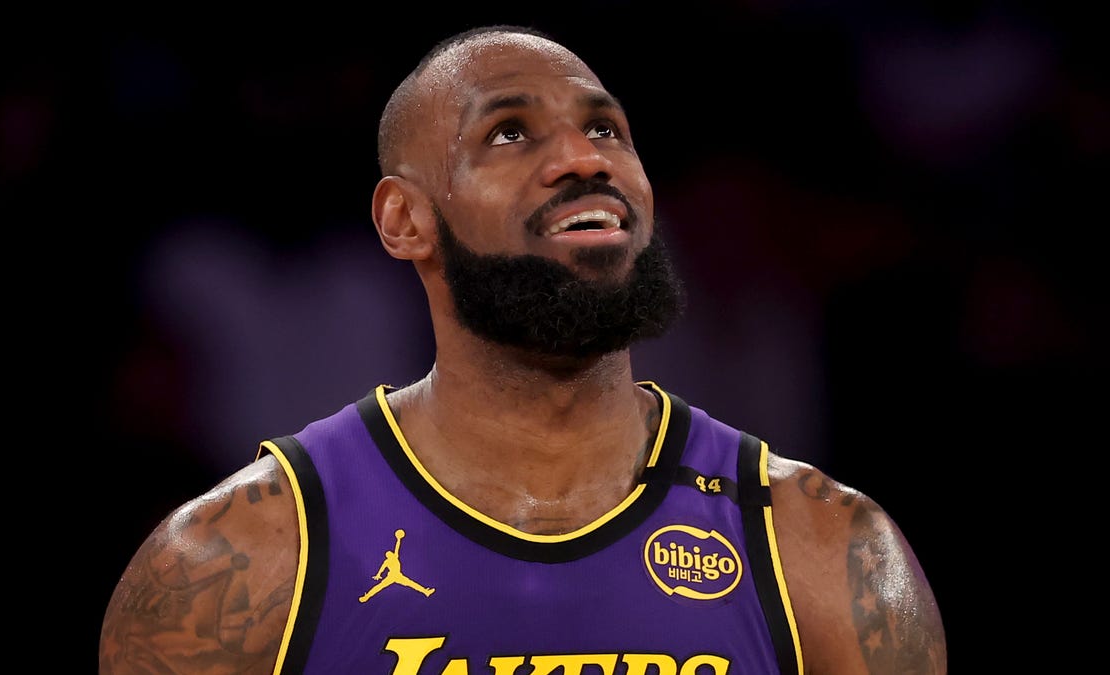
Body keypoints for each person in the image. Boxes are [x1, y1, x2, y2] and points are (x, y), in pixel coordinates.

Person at [99, 24, 947, 675]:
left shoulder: (826, 549)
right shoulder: (234, 565)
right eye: (509, 133)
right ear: (405, 220)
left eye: (608, 131)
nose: (582, 158)